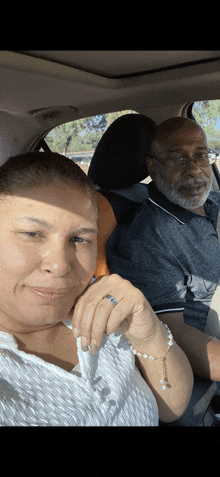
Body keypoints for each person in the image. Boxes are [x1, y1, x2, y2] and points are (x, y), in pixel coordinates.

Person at [0, 151, 193, 426]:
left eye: (79, 239)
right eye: (32, 234)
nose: (60, 265)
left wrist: (149, 334)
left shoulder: (106, 303)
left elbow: (173, 407)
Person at [107, 117, 220, 384]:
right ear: (153, 168)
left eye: (200, 155)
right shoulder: (146, 237)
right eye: (177, 159)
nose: (194, 169)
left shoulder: (214, 201)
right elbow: (171, 333)